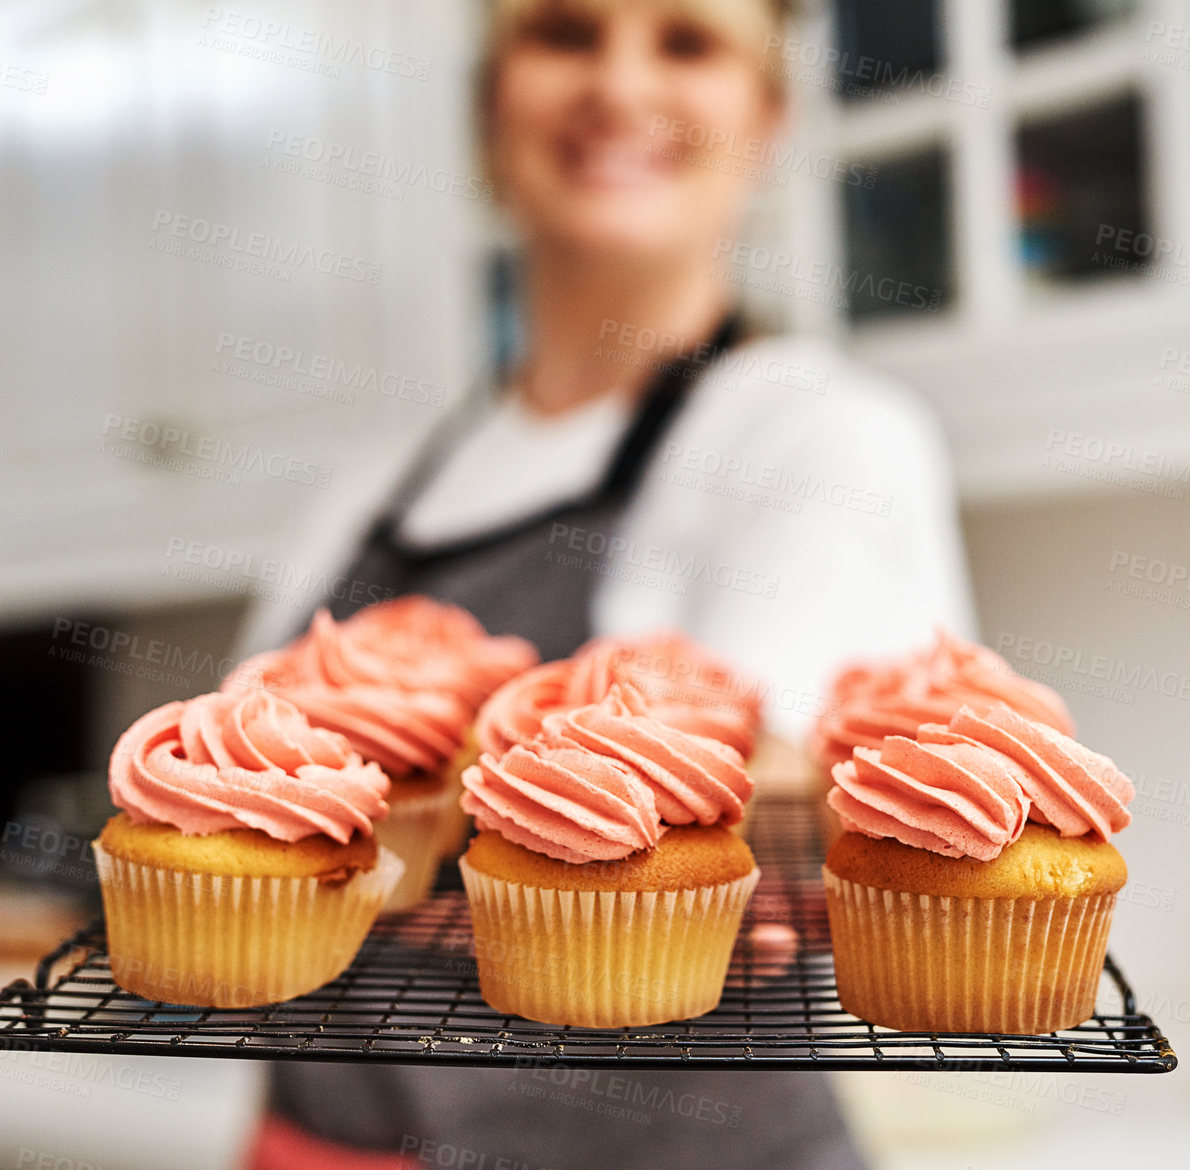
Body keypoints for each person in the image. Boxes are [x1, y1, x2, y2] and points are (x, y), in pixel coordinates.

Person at [242, 0, 975, 1166]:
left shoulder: (820, 437)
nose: (620, 89)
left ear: (769, 117)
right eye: (565, 33)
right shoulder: (363, 491)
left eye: (686, 42)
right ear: (490, 109)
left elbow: (741, 797)